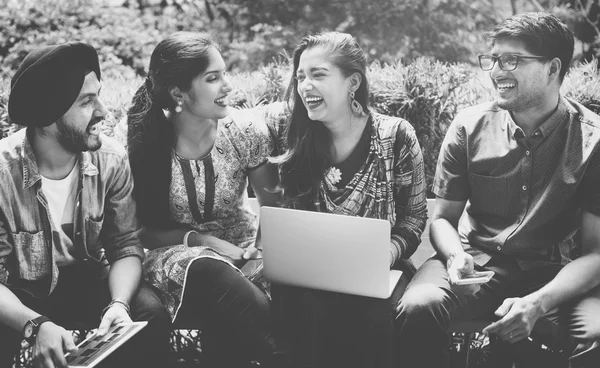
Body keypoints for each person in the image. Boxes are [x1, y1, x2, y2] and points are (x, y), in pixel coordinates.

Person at [395, 12, 600, 368]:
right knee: (420, 307)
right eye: (493, 59)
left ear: (553, 68)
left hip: (553, 269)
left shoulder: (593, 141)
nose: (496, 71)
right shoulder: (468, 127)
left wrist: (538, 303)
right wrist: (456, 256)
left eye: (512, 60)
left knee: (594, 334)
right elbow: (442, 219)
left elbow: (596, 254)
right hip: (475, 258)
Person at [0, 42, 171, 368]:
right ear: (47, 117)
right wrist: (35, 324)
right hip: (22, 292)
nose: (104, 111)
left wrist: (119, 304)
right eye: (86, 101)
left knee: (148, 314)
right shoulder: (2, 175)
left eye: (99, 95)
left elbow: (124, 245)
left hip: (90, 277)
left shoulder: (110, 159)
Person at [270, 31, 428, 368]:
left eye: (318, 75)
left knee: (368, 309)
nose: (305, 86)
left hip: (381, 272)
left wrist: (384, 254)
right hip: (312, 277)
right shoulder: (296, 138)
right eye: (300, 76)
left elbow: (414, 218)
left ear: (352, 81)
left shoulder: (395, 136)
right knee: (306, 304)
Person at [126, 32, 283, 368]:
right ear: (178, 92)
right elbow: (140, 232)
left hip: (243, 252)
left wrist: (262, 252)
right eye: (213, 78)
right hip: (174, 256)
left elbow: (273, 206)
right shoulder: (145, 141)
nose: (227, 85)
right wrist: (201, 240)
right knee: (206, 266)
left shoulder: (245, 132)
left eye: (225, 73)